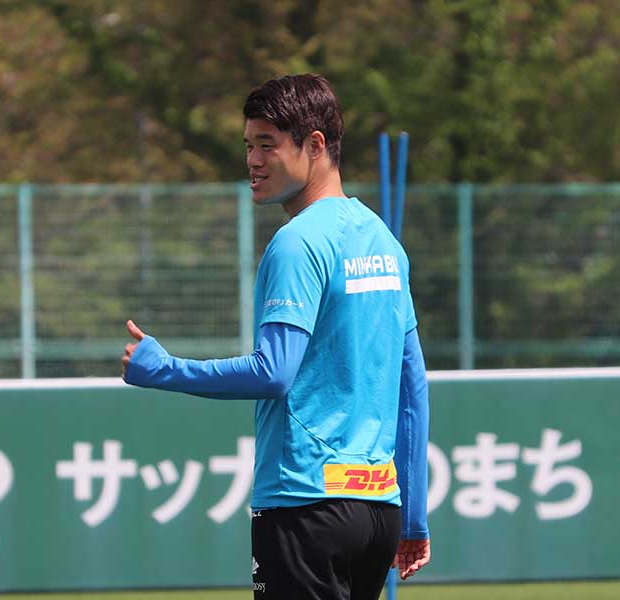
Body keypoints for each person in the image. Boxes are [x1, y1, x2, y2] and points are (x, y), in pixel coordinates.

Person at [122, 74, 430, 600]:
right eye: (248, 145)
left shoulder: (297, 243)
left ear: (315, 145)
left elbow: (274, 372)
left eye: (267, 144)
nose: (253, 160)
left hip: (305, 503)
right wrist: (414, 516)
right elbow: (413, 386)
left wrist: (164, 369)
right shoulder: (383, 241)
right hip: (379, 510)